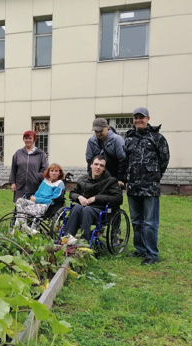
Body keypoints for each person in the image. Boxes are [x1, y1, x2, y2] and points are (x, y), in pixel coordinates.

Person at [125, 107, 169, 265]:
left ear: (148, 118)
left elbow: (164, 160)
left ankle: (152, 254)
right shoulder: (129, 139)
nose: (138, 120)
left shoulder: (157, 138)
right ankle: (140, 249)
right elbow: (125, 161)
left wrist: (155, 177)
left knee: (150, 222)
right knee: (136, 221)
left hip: (150, 187)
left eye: (141, 117)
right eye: (135, 118)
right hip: (133, 187)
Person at [62, 155, 123, 243]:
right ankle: (67, 238)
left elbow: (118, 198)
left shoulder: (111, 181)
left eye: (101, 165)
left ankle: (84, 241)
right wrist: (79, 197)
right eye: (96, 164)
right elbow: (72, 193)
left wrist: (96, 198)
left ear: (104, 168)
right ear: (91, 165)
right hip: (83, 208)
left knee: (87, 210)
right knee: (76, 208)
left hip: (101, 211)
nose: (98, 167)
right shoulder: (82, 179)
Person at [9, 130, 48, 203]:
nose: (28, 140)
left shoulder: (40, 154)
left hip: (35, 187)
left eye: (30, 138)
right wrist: (13, 183)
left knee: (32, 210)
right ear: (23, 139)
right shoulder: (18, 153)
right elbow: (13, 169)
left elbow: (45, 170)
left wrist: (36, 176)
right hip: (20, 187)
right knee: (19, 210)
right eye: (26, 138)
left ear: (34, 140)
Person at [85, 118, 126, 186]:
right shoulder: (91, 141)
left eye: (100, 131)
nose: (98, 134)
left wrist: (120, 179)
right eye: (96, 131)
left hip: (114, 177)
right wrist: (90, 178)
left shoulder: (117, 140)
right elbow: (89, 161)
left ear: (107, 127)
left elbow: (123, 160)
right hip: (97, 179)